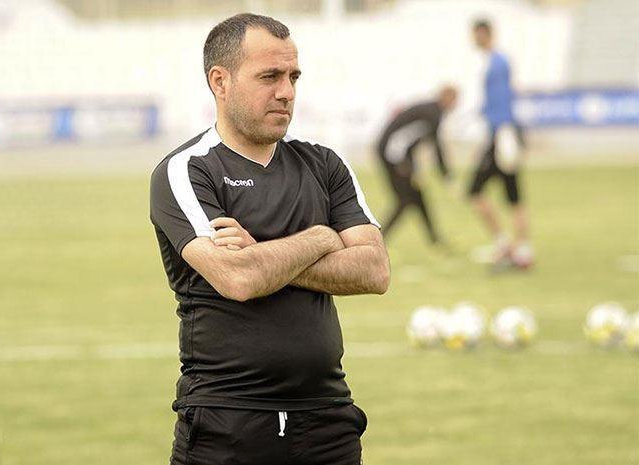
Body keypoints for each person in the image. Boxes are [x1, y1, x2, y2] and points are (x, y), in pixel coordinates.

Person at [149, 13, 390, 465]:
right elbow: (239, 279)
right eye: (269, 76)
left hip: (328, 420)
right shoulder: (187, 170)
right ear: (220, 81)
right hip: (227, 423)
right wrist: (322, 237)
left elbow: (375, 270)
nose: (287, 92)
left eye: (293, 77)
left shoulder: (324, 164)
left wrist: (261, 253)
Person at [469, 18, 534, 270]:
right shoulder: (497, 62)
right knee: (513, 195)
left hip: (501, 135)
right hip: (503, 134)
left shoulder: (496, 64)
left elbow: (500, 104)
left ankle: (505, 243)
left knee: (476, 191)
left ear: (485, 34)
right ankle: (521, 248)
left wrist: (499, 137)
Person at [376, 86, 458, 245]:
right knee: (404, 199)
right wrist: (401, 163)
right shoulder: (432, 113)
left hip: (399, 155)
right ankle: (378, 238)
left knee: (418, 196)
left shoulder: (432, 112)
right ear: (447, 98)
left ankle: (435, 239)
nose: (456, 105)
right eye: (455, 100)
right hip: (391, 154)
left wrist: (414, 166)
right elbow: (400, 139)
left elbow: (414, 140)